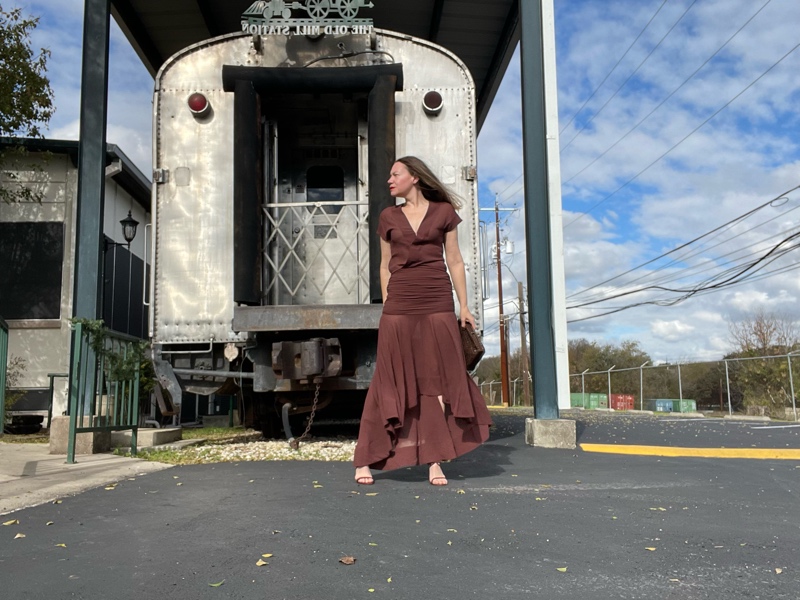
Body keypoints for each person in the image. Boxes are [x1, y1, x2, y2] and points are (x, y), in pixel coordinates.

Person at [353, 156, 492, 486]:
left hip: (437, 300)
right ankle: (366, 459)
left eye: (395, 173)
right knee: (389, 379)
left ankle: (434, 461)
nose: (390, 180)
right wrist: (389, 302)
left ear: (414, 177)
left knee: (436, 381)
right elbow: (385, 265)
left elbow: (455, 260)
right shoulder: (388, 216)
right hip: (400, 304)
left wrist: (464, 307)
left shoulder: (443, 212)